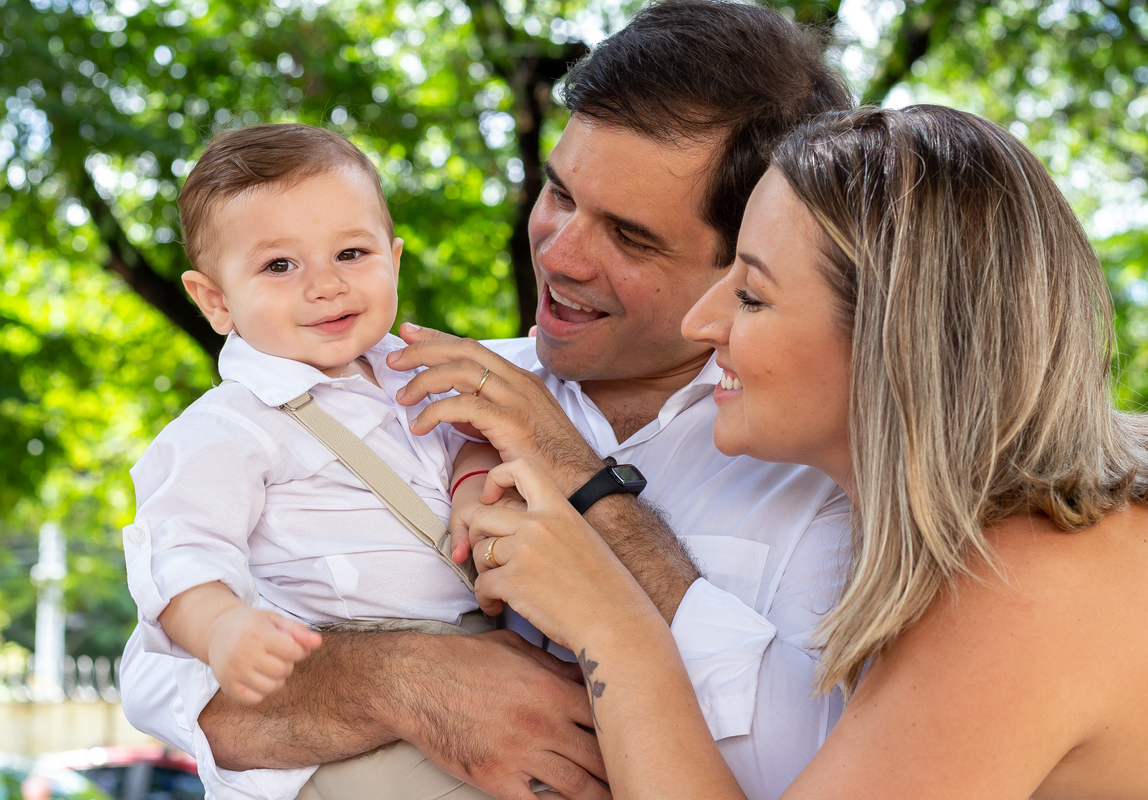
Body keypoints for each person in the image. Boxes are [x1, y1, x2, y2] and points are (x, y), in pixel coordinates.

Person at [119, 3, 854, 799]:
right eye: (560, 193)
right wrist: (398, 679)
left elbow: (799, 760)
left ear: (743, 262)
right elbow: (163, 683)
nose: (559, 252)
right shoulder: (422, 385)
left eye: (631, 237)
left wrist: (581, 478)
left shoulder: (829, 477)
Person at [460, 104, 1148, 798]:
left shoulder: (1026, 583)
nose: (703, 323)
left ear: (894, 347)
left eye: (752, 297)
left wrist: (609, 619)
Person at [121, 123, 503, 798]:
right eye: (279, 266)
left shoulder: (421, 370)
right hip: (344, 682)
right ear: (215, 300)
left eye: (351, 253)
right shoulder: (229, 426)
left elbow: (473, 431)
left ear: (394, 256)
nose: (325, 285)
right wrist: (223, 630)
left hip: (478, 652)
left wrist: (472, 484)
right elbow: (177, 553)